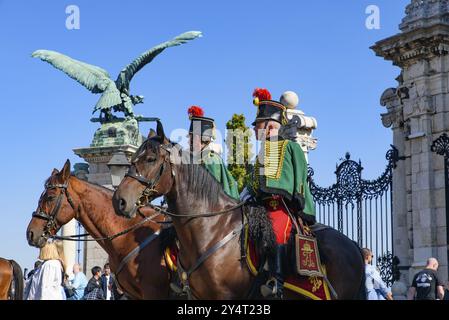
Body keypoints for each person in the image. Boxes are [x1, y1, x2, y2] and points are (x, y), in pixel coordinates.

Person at [244, 88, 316, 299]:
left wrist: (298, 200)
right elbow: (253, 181)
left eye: (262, 126)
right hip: (258, 206)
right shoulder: (262, 152)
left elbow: (300, 177)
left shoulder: (291, 147)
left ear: (274, 126)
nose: (259, 130)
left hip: (281, 206)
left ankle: (277, 282)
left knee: (276, 230)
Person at [186, 105, 239, 200]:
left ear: (203, 139)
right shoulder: (199, 159)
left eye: (192, 138)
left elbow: (211, 195)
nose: (189, 142)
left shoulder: (211, 159)